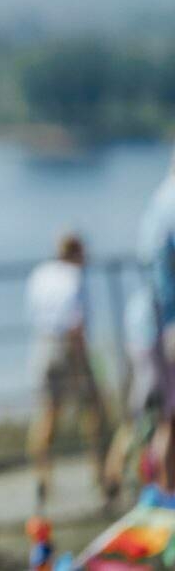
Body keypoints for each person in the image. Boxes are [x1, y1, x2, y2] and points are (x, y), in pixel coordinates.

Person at [25, 232, 110, 506]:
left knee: (48, 412)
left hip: (43, 343)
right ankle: (99, 473)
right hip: (70, 346)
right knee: (93, 409)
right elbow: (76, 321)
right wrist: (84, 357)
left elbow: (32, 311)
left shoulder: (41, 274)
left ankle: (42, 477)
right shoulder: (73, 277)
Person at [138, 150, 175, 492]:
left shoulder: (158, 200)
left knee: (163, 418)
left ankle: (163, 498)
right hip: (169, 324)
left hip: (151, 324)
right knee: (169, 422)